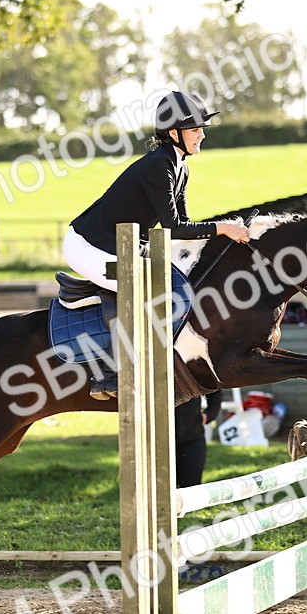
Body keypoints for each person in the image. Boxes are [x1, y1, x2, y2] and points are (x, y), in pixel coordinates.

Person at [64, 90, 251, 400]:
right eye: (195, 129)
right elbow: (175, 227)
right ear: (173, 132)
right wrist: (224, 229)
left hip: (120, 244)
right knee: (137, 289)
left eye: (201, 128)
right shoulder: (158, 165)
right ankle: (109, 373)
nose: (202, 134)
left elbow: (184, 228)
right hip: (88, 246)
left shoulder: (180, 167)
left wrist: (224, 235)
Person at [174, 390, 223, 488]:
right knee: (161, 489)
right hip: (158, 440)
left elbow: (215, 392)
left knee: (191, 488)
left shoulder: (196, 373)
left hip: (193, 439)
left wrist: (207, 416)